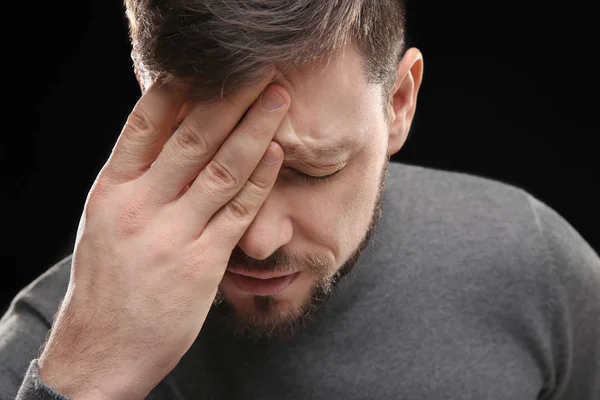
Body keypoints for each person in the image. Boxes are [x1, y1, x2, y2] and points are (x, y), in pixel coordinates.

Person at [1, 0, 599, 398]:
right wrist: (81, 383)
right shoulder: (46, 350)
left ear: (399, 104)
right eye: (216, 168)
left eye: (313, 171)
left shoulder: (532, 268)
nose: (259, 240)